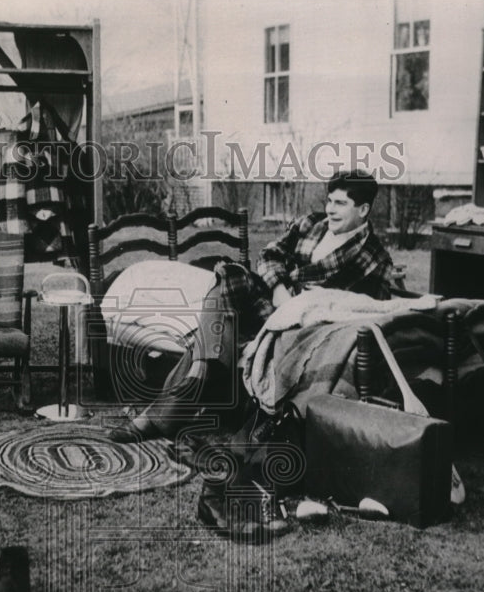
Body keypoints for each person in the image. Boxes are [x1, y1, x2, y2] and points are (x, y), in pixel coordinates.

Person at [108, 169, 399, 442]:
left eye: (340, 204)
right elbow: (269, 253)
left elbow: (364, 308)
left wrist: (305, 304)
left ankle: (171, 403)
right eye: (329, 200)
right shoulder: (311, 224)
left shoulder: (374, 258)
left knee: (214, 326)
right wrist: (278, 287)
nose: (330, 209)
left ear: (363, 210)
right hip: (274, 303)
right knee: (229, 278)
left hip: (303, 323)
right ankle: (203, 369)